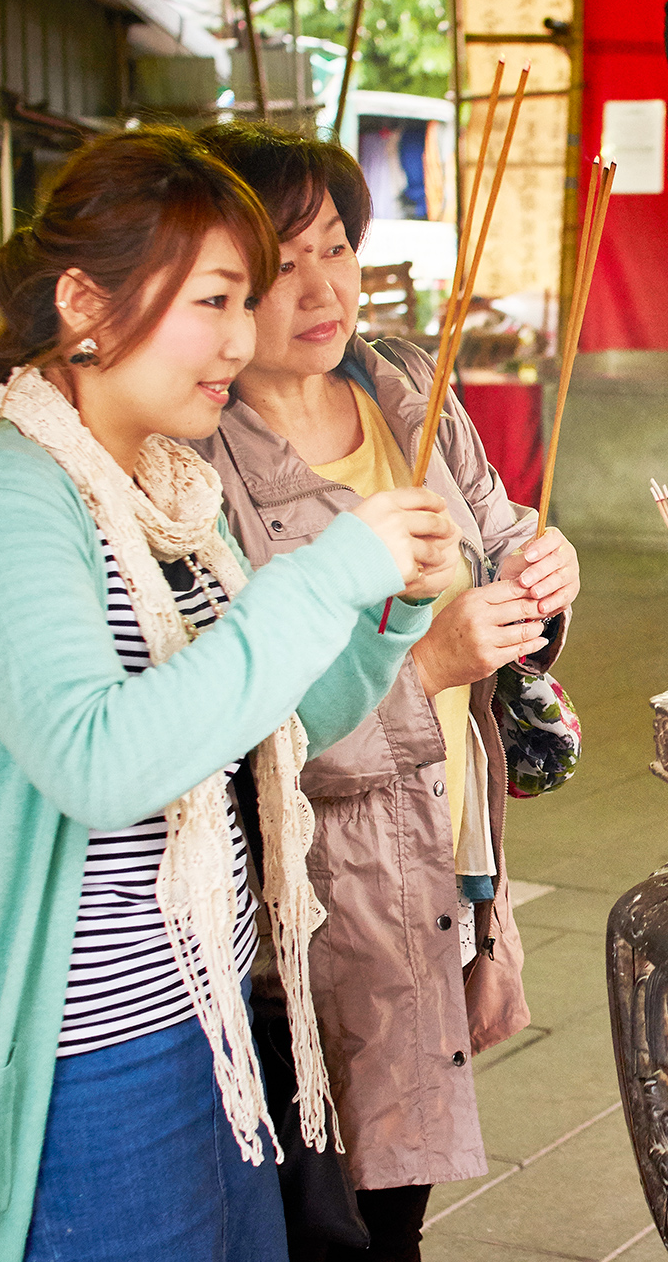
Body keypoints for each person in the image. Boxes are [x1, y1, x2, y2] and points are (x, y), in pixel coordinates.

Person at [0, 127, 461, 1262]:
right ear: (84, 304)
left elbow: (270, 718)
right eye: (215, 299)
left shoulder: (166, 495)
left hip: (215, 1011)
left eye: (241, 301)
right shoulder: (5, 498)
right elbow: (101, 760)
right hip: (81, 1057)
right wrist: (322, 576)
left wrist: (392, 613)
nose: (240, 338)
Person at [192, 122, 580, 1262]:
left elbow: (496, 528)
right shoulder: (203, 457)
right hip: (310, 908)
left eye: (338, 249)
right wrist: (427, 665)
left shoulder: (406, 382)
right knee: (325, 1215)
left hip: (442, 856)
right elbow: (241, 736)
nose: (323, 288)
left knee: (395, 1207)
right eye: (281, 264)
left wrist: (540, 568)